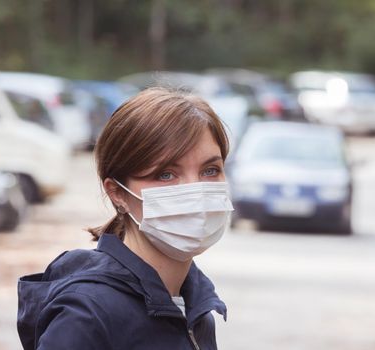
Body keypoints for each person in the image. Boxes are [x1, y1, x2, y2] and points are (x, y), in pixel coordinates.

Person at [17, 88, 234, 349]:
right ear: (118, 193)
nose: (194, 191)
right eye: (166, 174)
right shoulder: (87, 315)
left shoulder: (194, 307)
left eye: (210, 170)